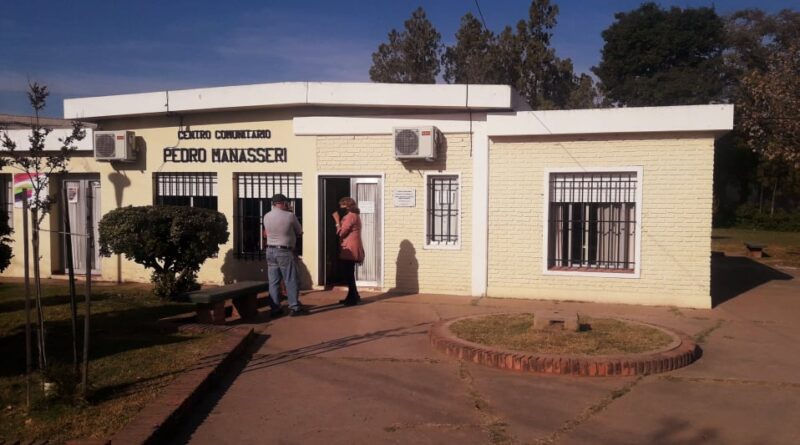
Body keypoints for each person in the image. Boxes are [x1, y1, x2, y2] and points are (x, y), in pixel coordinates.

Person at [263, 193, 309, 317]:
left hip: (270, 250)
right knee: (290, 279)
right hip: (284, 251)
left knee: (273, 281)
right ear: (283, 203)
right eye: (287, 203)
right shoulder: (290, 216)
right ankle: (294, 307)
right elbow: (299, 232)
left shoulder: (266, 216)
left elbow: (266, 233)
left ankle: (275, 308)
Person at [331, 197, 365, 306]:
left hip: (350, 248)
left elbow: (341, 233)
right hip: (353, 246)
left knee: (348, 274)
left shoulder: (350, 216)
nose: (340, 208)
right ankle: (353, 296)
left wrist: (337, 221)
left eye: (342, 205)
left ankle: (353, 298)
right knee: (349, 274)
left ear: (347, 206)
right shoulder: (355, 215)